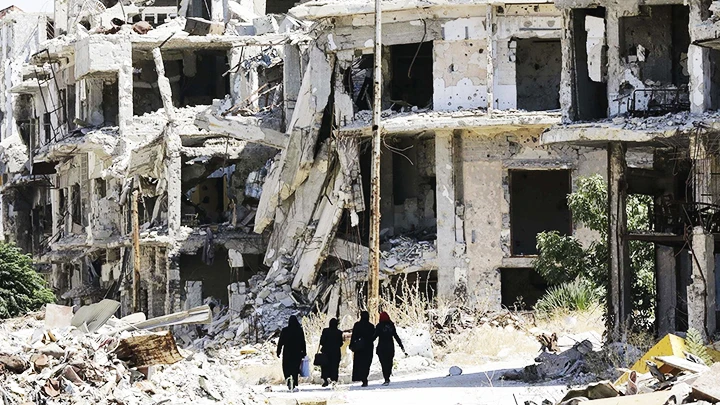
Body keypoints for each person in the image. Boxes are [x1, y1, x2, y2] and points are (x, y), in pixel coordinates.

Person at [374, 311, 406, 386]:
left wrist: (367, 342)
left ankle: (386, 378)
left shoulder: (379, 326)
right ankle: (388, 375)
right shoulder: (391, 325)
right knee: (389, 362)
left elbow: (374, 336)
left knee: (383, 363)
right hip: (390, 347)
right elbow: (396, 336)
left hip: (382, 347)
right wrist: (401, 345)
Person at [276, 315, 307, 391]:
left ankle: (289, 380)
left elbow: (280, 342)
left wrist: (278, 351)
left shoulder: (285, 330)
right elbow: (303, 342)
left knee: (287, 367)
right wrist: (304, 352)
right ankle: (294, 382)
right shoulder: (299, 330)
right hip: (297, 352)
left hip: (287, 352)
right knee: (295, 368)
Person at [350, 311, 375, 387]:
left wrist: (352, 344)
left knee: (359, 363)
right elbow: (373, 336)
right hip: (368, 347)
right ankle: (365, 377)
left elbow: (353, 335)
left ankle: (361, 377)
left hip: (359, 347)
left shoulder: (357, 325)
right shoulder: (371, 326)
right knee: (366, 363)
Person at [319, 318, 344, 387]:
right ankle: (334, 381)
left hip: (326, 352)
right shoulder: (339, 332)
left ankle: (325, 380)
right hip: (336, 353)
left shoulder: (325, 331)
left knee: (325, 366)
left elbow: (322, 342)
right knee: (335, 367)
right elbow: (341, 343)